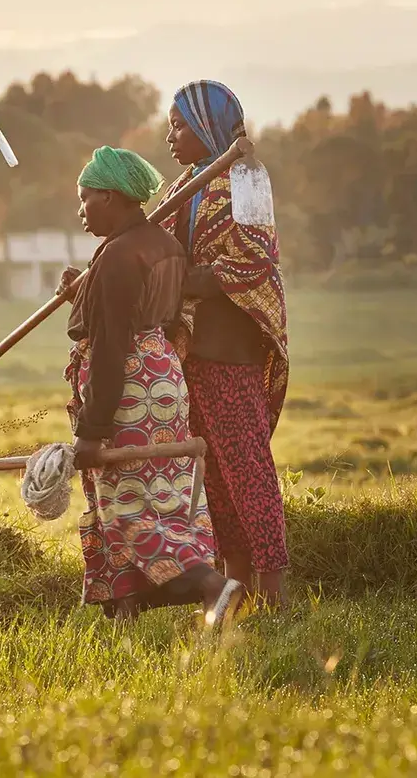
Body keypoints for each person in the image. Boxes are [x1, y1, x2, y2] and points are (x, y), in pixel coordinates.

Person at [56, 145, 243, 628]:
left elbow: (113, 344)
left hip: (129, 392)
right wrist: (86, 289)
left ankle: (212, 586)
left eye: (86, 198)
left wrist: (92, 432)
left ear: (112, 197)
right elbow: (140, 309)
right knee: (154, 493)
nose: (80, 210)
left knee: (128, 511)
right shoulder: (161, 244)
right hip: (162, 379)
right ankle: (125, 612)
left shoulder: (119, 254)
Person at [160, 81, 289, 607]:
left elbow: (254, 258)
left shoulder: (246, 177)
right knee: (212, 477)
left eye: (179, 125)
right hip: (190, 348)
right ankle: (235, 588)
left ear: (208, 128)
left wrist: (185, 279)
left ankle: (274, 593)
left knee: (248, 469)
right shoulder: (181, 186)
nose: (170, 135)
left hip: (231, 343)